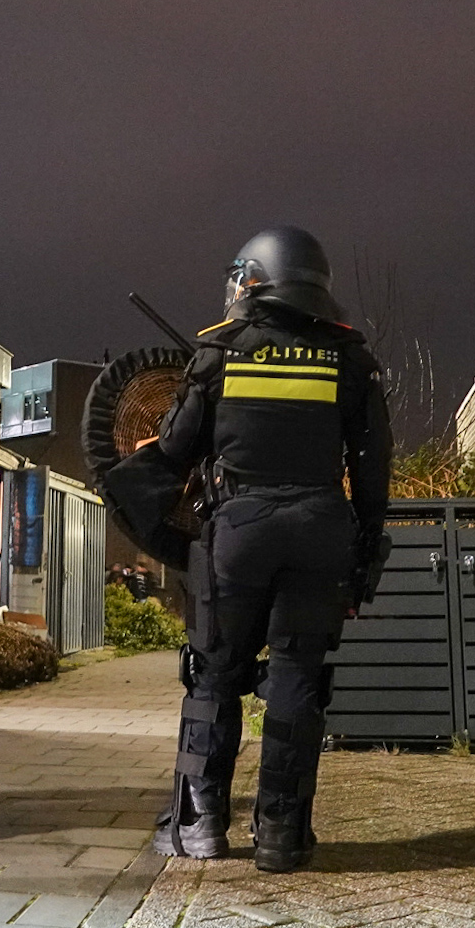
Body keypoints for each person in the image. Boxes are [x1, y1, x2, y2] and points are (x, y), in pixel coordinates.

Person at [151, 226, 391, 872]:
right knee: (295, 676)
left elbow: (173, 450)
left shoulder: (219, 351)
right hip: (319, 530)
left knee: (214, 674)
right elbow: (372, 469)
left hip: (239, 532)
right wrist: (365, 544)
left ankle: (201, 824)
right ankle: (281, 832)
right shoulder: (350, 359)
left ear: (253, 278)